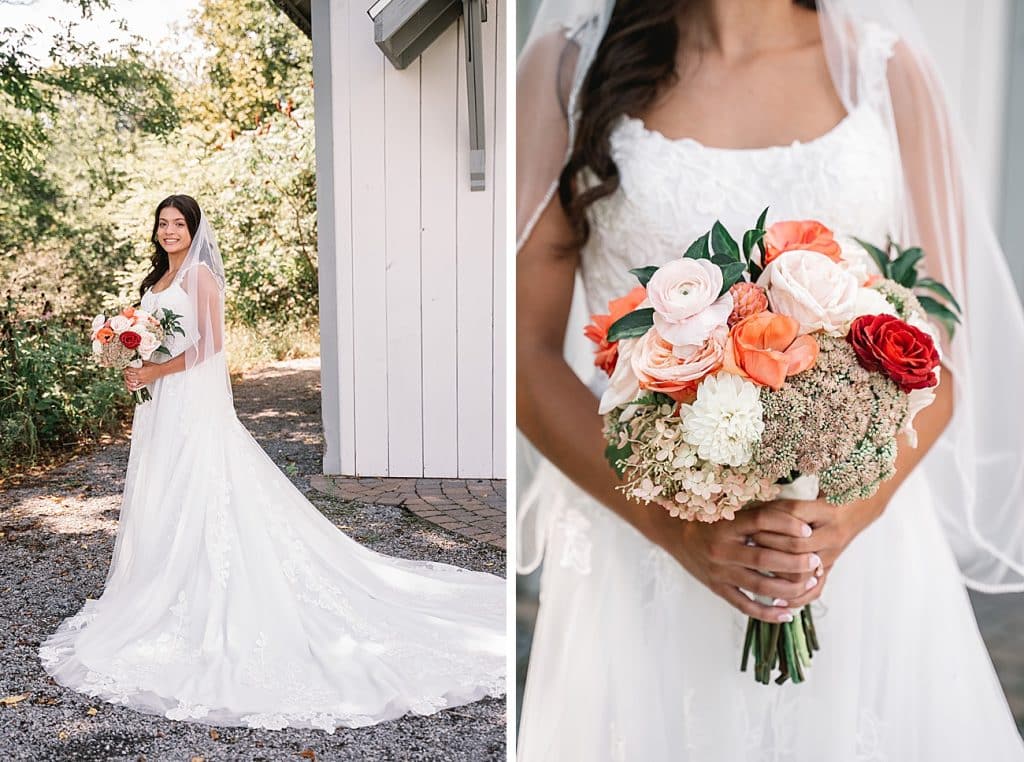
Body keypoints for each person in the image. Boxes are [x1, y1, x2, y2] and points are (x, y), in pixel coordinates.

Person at [516, 0, 1024, 758]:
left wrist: (845, 521)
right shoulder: (571, 67)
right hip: (644, 546)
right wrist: (682, 533)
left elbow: (939, 353)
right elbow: (523, 354)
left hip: (854, 552)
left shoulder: (885, 73)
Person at [39, 194, 504, 732]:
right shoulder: (154, 284)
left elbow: (210, 347)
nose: (170, 231)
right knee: (163, 489)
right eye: (163, 224)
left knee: (203, 486)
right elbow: (157, 341)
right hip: (162, 406)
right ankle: (159, 581)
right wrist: (132, 357)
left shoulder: (201, 279)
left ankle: (207, 586)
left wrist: (154, 372)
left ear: (194, 230)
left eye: (179, 224)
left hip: (191, 402)